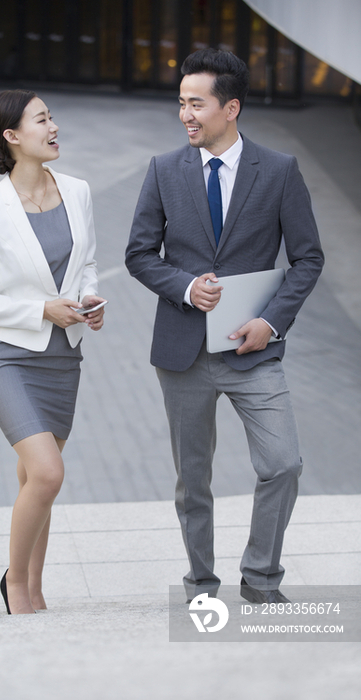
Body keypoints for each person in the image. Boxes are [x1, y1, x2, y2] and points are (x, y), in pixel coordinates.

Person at [125, 49, 324, 604]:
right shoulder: (164, 170)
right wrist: (187, 287)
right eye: (181, 103)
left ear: (230, 107)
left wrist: (272, 322)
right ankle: (201, 585)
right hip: (184, 354)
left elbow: (308, 258)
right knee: (194, 481)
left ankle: (261, 579)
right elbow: (140, 254)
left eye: (197, 104)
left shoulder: (280, 170)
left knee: (284, 463)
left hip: (253, 353)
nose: (185, 114)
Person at [0, 90, 106, 614]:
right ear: (13, 136)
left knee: (34, 482)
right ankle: (15, 585)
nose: (54, 127)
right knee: (47, 473)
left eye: (52, 117)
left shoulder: (79, 191)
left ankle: (36, 589)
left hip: (63, 357)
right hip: (8, 357)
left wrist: (88, 299)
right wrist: (43, 310)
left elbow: (86, 263)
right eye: (43, 120)